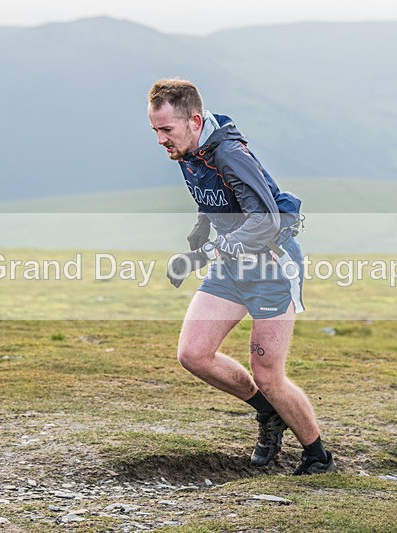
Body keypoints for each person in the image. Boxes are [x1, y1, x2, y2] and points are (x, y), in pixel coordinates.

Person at [146, 78, 336, 475]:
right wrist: (199, 238)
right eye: (156, 130)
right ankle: (268, 414)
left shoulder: (230, 154)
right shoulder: (189, 150)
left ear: (194, 120)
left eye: (167, 130)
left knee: (268, 374)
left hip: (271, 269)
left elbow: (264, 222)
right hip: (233, 267)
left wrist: (206, 253)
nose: (161, 139)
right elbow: (212, 200)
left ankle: (318, 456)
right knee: (193, 354)